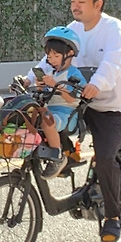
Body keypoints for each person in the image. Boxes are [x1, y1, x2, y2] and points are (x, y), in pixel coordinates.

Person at [66, 0, 121, 242]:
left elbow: (113, 62)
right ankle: (65, 161)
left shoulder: (112, 27)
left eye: (81, 1)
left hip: (114, 108)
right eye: (73, 0)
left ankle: (112, 217)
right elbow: (53, 57)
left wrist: (97, 84)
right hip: (84, 104)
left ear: (98, 4)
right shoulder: (72, 29)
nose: (75, 6)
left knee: (105, 157)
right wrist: (30, 78)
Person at [30, 26, 87, 176]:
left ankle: (57, 157)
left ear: (70, 54)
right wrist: (41, 86)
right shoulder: (51, 73)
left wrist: (55, 85)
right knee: (30, 116)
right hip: (50, 110)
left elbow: (73, 98)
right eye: (49, 56)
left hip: (66, 114)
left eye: (56, 56)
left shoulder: (74, 74)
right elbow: (47, 94)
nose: (52, 60)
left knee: (46, 120)